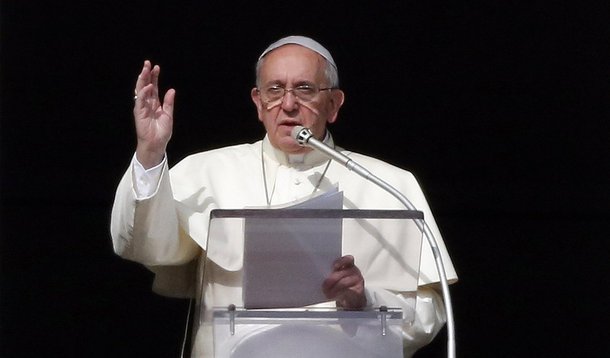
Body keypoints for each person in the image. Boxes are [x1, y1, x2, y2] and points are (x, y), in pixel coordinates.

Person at [111, 36, 457, 357]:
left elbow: (429, 311)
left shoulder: (388, 184)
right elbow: (143, 245)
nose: (288, 104)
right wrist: (150, 154)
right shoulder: (207, 172)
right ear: (258, 102)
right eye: (274, 90)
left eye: (304, 89)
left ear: (334, 104)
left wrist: (365, 301)